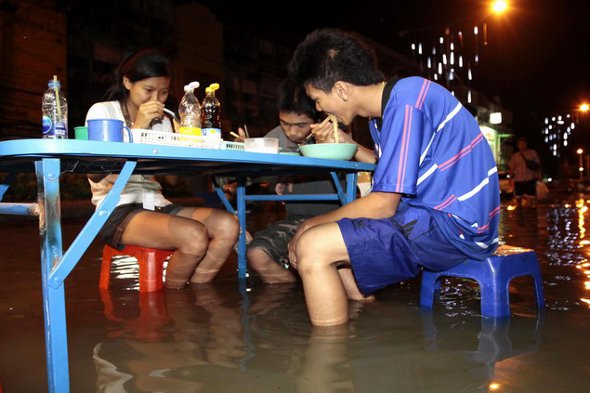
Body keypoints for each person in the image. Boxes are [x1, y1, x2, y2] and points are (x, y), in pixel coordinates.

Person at [286, 28, 501, 326]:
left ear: (342, 90)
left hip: (455, 227)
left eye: (318, 99)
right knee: (336, 235)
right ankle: (365, 313)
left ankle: (329, 361)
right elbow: (397, 169)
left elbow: (384, 203)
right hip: (445, 220)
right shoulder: (388, 111)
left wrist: (308, 225)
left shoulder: (407, 100)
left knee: (313, 244)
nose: (319, 109)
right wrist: (346, 145)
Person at [85, 48, 239, 289]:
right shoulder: (104, 112)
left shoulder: (166, 119)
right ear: (127, 82)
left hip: (158, 203)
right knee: (194, 236)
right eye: (148, 90)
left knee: (228, 225)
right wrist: (139, 127)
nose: (156, 99)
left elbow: (172, 179)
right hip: (116, 208)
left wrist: (186, 147)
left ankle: (196, 291)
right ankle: (174, 299)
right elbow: (96, 173)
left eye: (164, 92)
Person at [239, 79, 374, 284]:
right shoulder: (275, 138)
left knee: (328, 264)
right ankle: (292, 299)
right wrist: (248, 154)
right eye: (285, 123)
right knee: (256, 254)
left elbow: (355, 177)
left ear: (318, 116)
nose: (291, 132)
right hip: (294, 220)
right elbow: (260, 179)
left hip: (334, 219)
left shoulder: (335, 133)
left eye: (301, 125)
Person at [509, 137, 541, 207]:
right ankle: (520, 210)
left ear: (526, 144)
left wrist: (539, 176)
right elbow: (512, 168)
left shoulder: (532, 153)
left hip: (530, 178)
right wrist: (510, 179)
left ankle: (528, 210)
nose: (522, 145)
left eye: (523, 143)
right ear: (518, 145)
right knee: (518, 197)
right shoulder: (515, 156)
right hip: (518, 179)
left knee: (530, 196)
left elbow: (537, 165)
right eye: (520, 144)